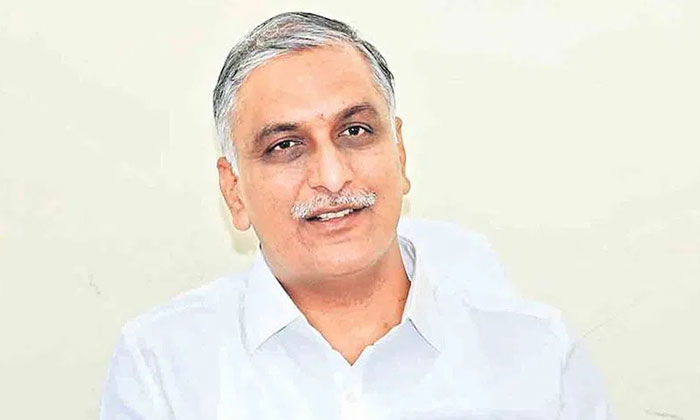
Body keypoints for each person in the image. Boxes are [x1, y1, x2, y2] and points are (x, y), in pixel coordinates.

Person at [100, 11, 613, 420]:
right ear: (234, 192)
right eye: (285, 145)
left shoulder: (538, 355)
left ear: (400, 154)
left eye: (355, 132)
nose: (332, 176)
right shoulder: (162, 367)